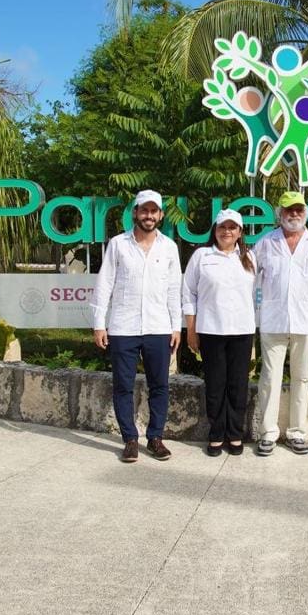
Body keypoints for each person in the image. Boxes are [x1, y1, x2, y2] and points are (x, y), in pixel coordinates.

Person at [90, 189, 182, 463]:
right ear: (135, 213)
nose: (149, 216)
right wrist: (99, 324)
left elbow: (173, 288)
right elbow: (104, 284)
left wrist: (176, 327)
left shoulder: (169, 247)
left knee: (160, 385)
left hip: (158, 326)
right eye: (144, 210)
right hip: (123, 327)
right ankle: (129, 439)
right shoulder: (118, 244)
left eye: (154, 211)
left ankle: (155, 438)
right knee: (123, 386)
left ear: (161, 215)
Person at [254, 191, 308, 456]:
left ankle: (297, 433)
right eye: (289, 210)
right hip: (272, 320)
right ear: (280, 213)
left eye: (299, 210)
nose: (294, 214)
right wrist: (254, 314)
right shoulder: (266, 242)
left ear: (306, 214)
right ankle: (268, 433)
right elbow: (252, 280)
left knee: (302, 377)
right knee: (269, 378)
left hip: (306, 320)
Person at [182, 209, 257, 457]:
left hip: (242, 331)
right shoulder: (201, 256)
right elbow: (189, 294)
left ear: (240, 232)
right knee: (215, 385)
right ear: (215, 230)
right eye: (222, 227)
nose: (227, 231)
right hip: (211, 330)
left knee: (238, 385)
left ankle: (235, 434)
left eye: (232, 227)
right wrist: (191, 329)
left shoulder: (249, 257)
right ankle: (216, 434)